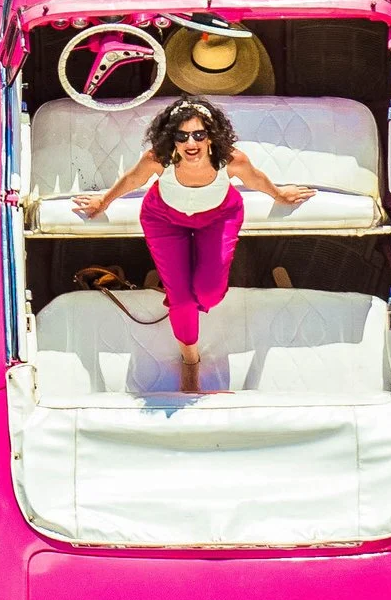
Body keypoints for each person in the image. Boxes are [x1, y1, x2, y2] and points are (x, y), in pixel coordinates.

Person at [72, 96, 314, 393]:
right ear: (171, 139)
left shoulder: (231, 160)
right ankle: (190, 359)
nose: (191, 143)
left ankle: (180, 296)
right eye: (182, 135)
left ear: (211, 136)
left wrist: (279, 194)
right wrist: (103, 200)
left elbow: (256, 180)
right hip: (165, 220)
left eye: (199, 134)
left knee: (209, 293)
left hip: (218, 218)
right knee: (183, 300)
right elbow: (133, 180)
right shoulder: (158, 159)